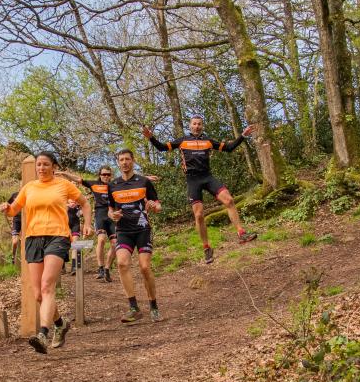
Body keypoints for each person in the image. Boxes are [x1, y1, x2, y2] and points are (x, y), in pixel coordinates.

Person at [0, 152, 92, 354]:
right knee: (38, 294)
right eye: (39, 165)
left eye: (45, 165)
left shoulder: (63, 185)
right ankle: (60, 323)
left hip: (57, 237)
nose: (41, 168)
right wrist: (6, 208)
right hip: (33, 238)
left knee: (47, 285)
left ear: (53, 166)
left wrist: (87, 223)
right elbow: (14, 210)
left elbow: (85, 203)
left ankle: (43, 333)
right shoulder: (29, 187)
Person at [143, 115, 257, 264]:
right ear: (190, 126)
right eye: (194, 124)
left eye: (199, 124)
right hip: (192, 180)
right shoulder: (182, 141)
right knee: (199, 216)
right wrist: (151, 137)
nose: (197, 126)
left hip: (207, 177)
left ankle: (241, 233)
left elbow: (229, 148)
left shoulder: (208, 141)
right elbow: (162, 148)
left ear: (202, 126)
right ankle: (206, 248)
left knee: (229, 200)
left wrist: (243, 135)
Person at [108, 149, 162, 324]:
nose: (124, 162)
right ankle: (134, 308)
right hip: (123, 231)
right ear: (117, 163)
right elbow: (110, 209)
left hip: (142, 229)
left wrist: (154, 206)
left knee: (145, 268)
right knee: (122, 263)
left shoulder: (144, 181)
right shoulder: (113, 185)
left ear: (133, 161)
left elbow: (158, 205)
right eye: (121, 160)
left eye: (127, 159)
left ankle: (153, 306)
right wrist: (112, 216)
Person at [58, 166, 117, 282]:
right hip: (100, 214)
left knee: (115, 244)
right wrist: (65, 174)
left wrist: (145, 179)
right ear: (100, 175)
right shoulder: (94, 184)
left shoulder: (115, 185)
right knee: (101, 240)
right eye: (104, 174)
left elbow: (129, 182)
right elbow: (78, 179)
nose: (106, 176)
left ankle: (107, 269)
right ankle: (100, 268)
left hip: (112, 215)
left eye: (108, 174)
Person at [7, 192, 22, 264]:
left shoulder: (29, 192)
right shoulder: (14, 195)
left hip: (27, 219)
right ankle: (13, 256)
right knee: (15, 242)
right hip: (17, 220)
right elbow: (8, 205)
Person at [67, 199, 81, 275]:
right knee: (65, 246)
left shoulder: (78, 206)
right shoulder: (65, 205)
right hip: (66, 225)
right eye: (72, 202)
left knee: (74, 245)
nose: (73, 203)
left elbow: (85, 205)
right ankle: (62, 267)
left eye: (74, 202)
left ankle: (74, 267)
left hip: (75, 225)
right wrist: (67, 206)